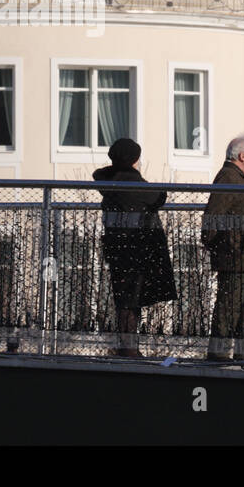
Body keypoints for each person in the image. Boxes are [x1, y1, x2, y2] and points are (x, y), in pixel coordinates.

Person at [92, 138, 177, 358]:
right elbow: (158, 197)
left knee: (123, 298)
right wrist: (133, 173)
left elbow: (100, 173)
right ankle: (129, 348)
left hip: (116, 248)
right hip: (136, 248)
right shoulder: (133, 184)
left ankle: (127, 346)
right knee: (131, 300)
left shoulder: (108, 182)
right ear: (134, 159)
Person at [201, 135, 244, 362]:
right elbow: (213, 216)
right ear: (242, 156)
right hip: (235, 257)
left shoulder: (237, 178)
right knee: (230, 307)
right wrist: (224, 246)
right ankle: (219, 355)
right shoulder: (228, 178)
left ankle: (242, 355)